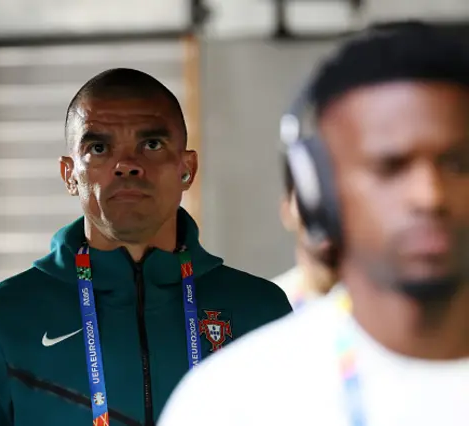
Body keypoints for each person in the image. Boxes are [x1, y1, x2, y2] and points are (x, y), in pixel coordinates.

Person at [0, 68, 292, 426]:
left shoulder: (260, 312)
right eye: (98, 147)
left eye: (151, 144)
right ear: (70, 175)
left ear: (186, 169)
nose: (127, 165)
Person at [159, 21, 469, 426]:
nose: (430, 196)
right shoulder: (231, 401)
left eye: (460, 164)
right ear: (317, 191)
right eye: (390, 168)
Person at [271, 159, 339, 309]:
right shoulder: (264, 310)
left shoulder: (391, 309)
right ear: (286, 211)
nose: (323, 210)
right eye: (310, 193)